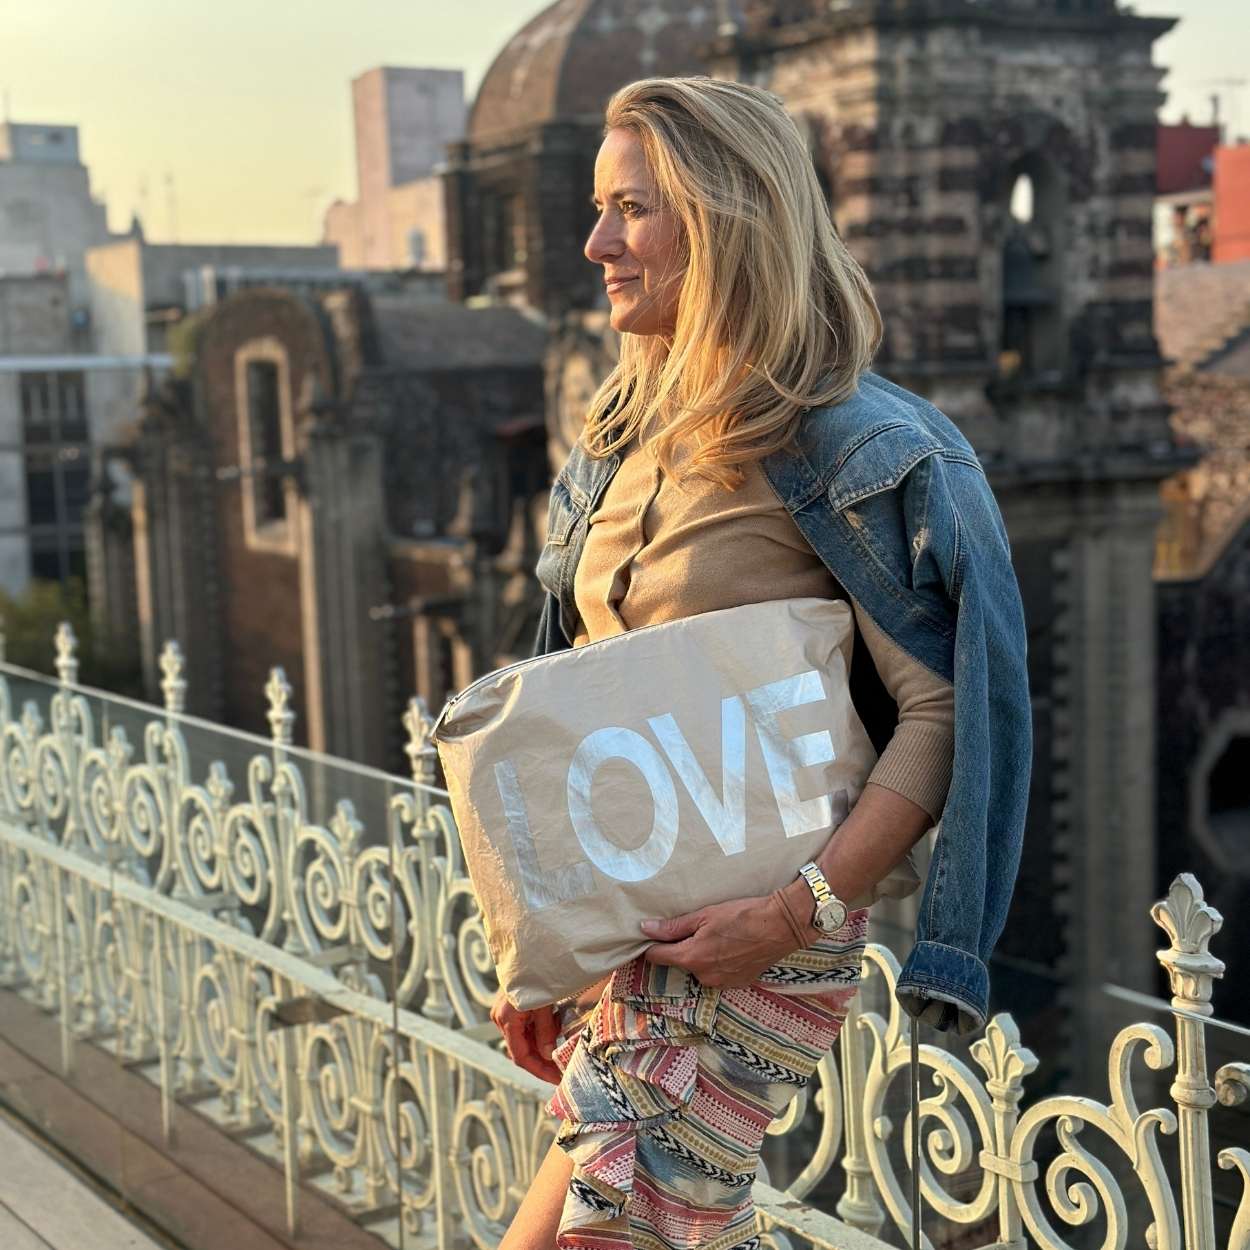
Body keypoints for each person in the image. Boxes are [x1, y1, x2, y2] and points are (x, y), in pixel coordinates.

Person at [491, 76, 1031, 1250]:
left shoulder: (851, 443)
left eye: (628, 209)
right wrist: (547, 941)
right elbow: (583, 703)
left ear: (723, 214)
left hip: (757, 938)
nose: (593, 243)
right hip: (635, 927)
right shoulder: (617, 437)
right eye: (598, 207)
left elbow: (938, 715)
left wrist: (795, 913)